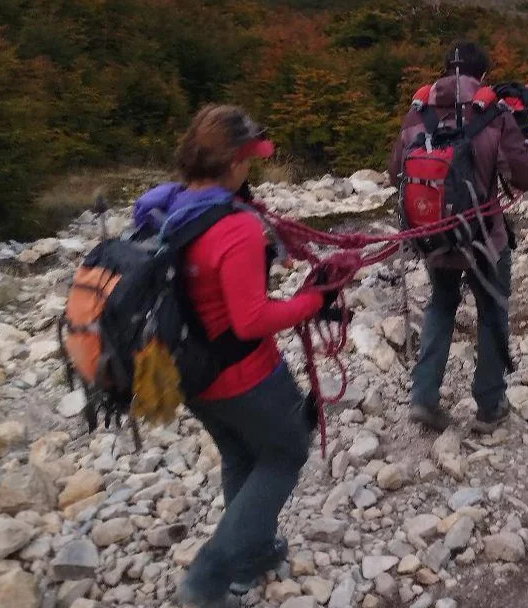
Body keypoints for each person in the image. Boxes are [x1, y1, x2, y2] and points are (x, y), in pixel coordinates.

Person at [132, 105, 337, 608]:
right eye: (249, 159)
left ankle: (251, 556)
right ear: (235, 162)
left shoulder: (173, 206)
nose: (252, 167)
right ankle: (208, 578)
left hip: (188, 369)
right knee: (285, 452)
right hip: (244, 373)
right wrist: (316, 301)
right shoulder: (236, 228)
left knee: (242, 454)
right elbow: (250, 319)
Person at [389, 42, 528, 433]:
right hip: (484, 235)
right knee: (492, 310)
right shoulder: (493, 113)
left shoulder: (417, 112)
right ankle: (489, 405)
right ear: (483, 76)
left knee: (441, 304)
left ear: (443, 71)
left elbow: (395, 175)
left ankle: (424, 397)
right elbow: (525, 177)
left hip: (434, 234)